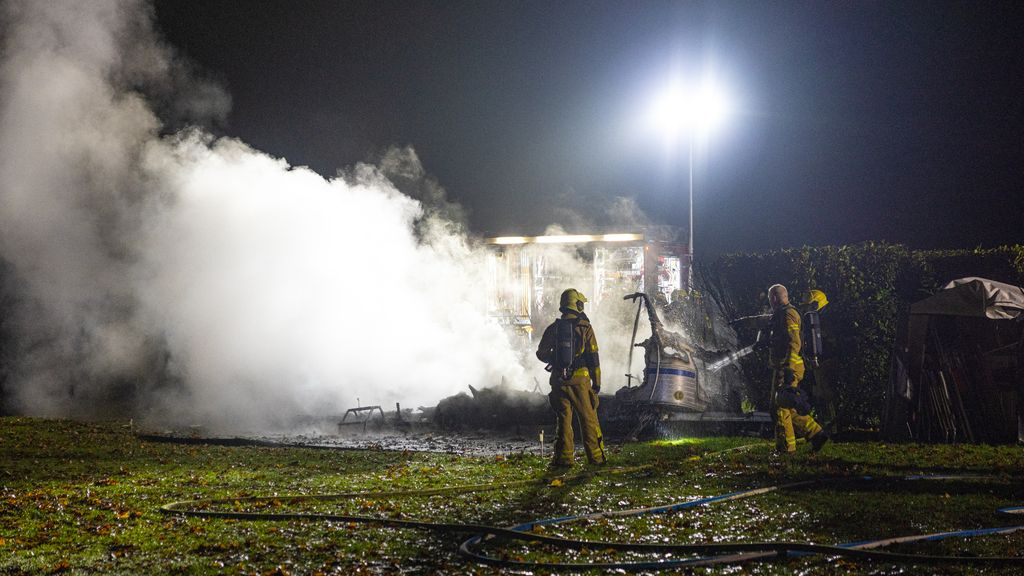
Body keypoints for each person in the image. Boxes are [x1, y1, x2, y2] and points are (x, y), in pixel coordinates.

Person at [536, 288, 607, 468]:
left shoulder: (554, 328)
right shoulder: (585, 328)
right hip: (580, 383)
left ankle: (564, 459)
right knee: (588, 420)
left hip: (559, 381)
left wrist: (555, 359)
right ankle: (596, 458)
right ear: (577, 305)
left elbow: (541, 353)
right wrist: (596, 382)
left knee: (563, 421)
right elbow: (593, 358)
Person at [767, 284, 829, 454]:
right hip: (783, 366)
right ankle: (816, 433)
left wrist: (788, 368)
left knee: (780, 408)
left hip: (787, 367)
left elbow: (794, 342)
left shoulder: (788, 314)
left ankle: (786, 449)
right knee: (787, 406)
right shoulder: (782, 314)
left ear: (773, 298)